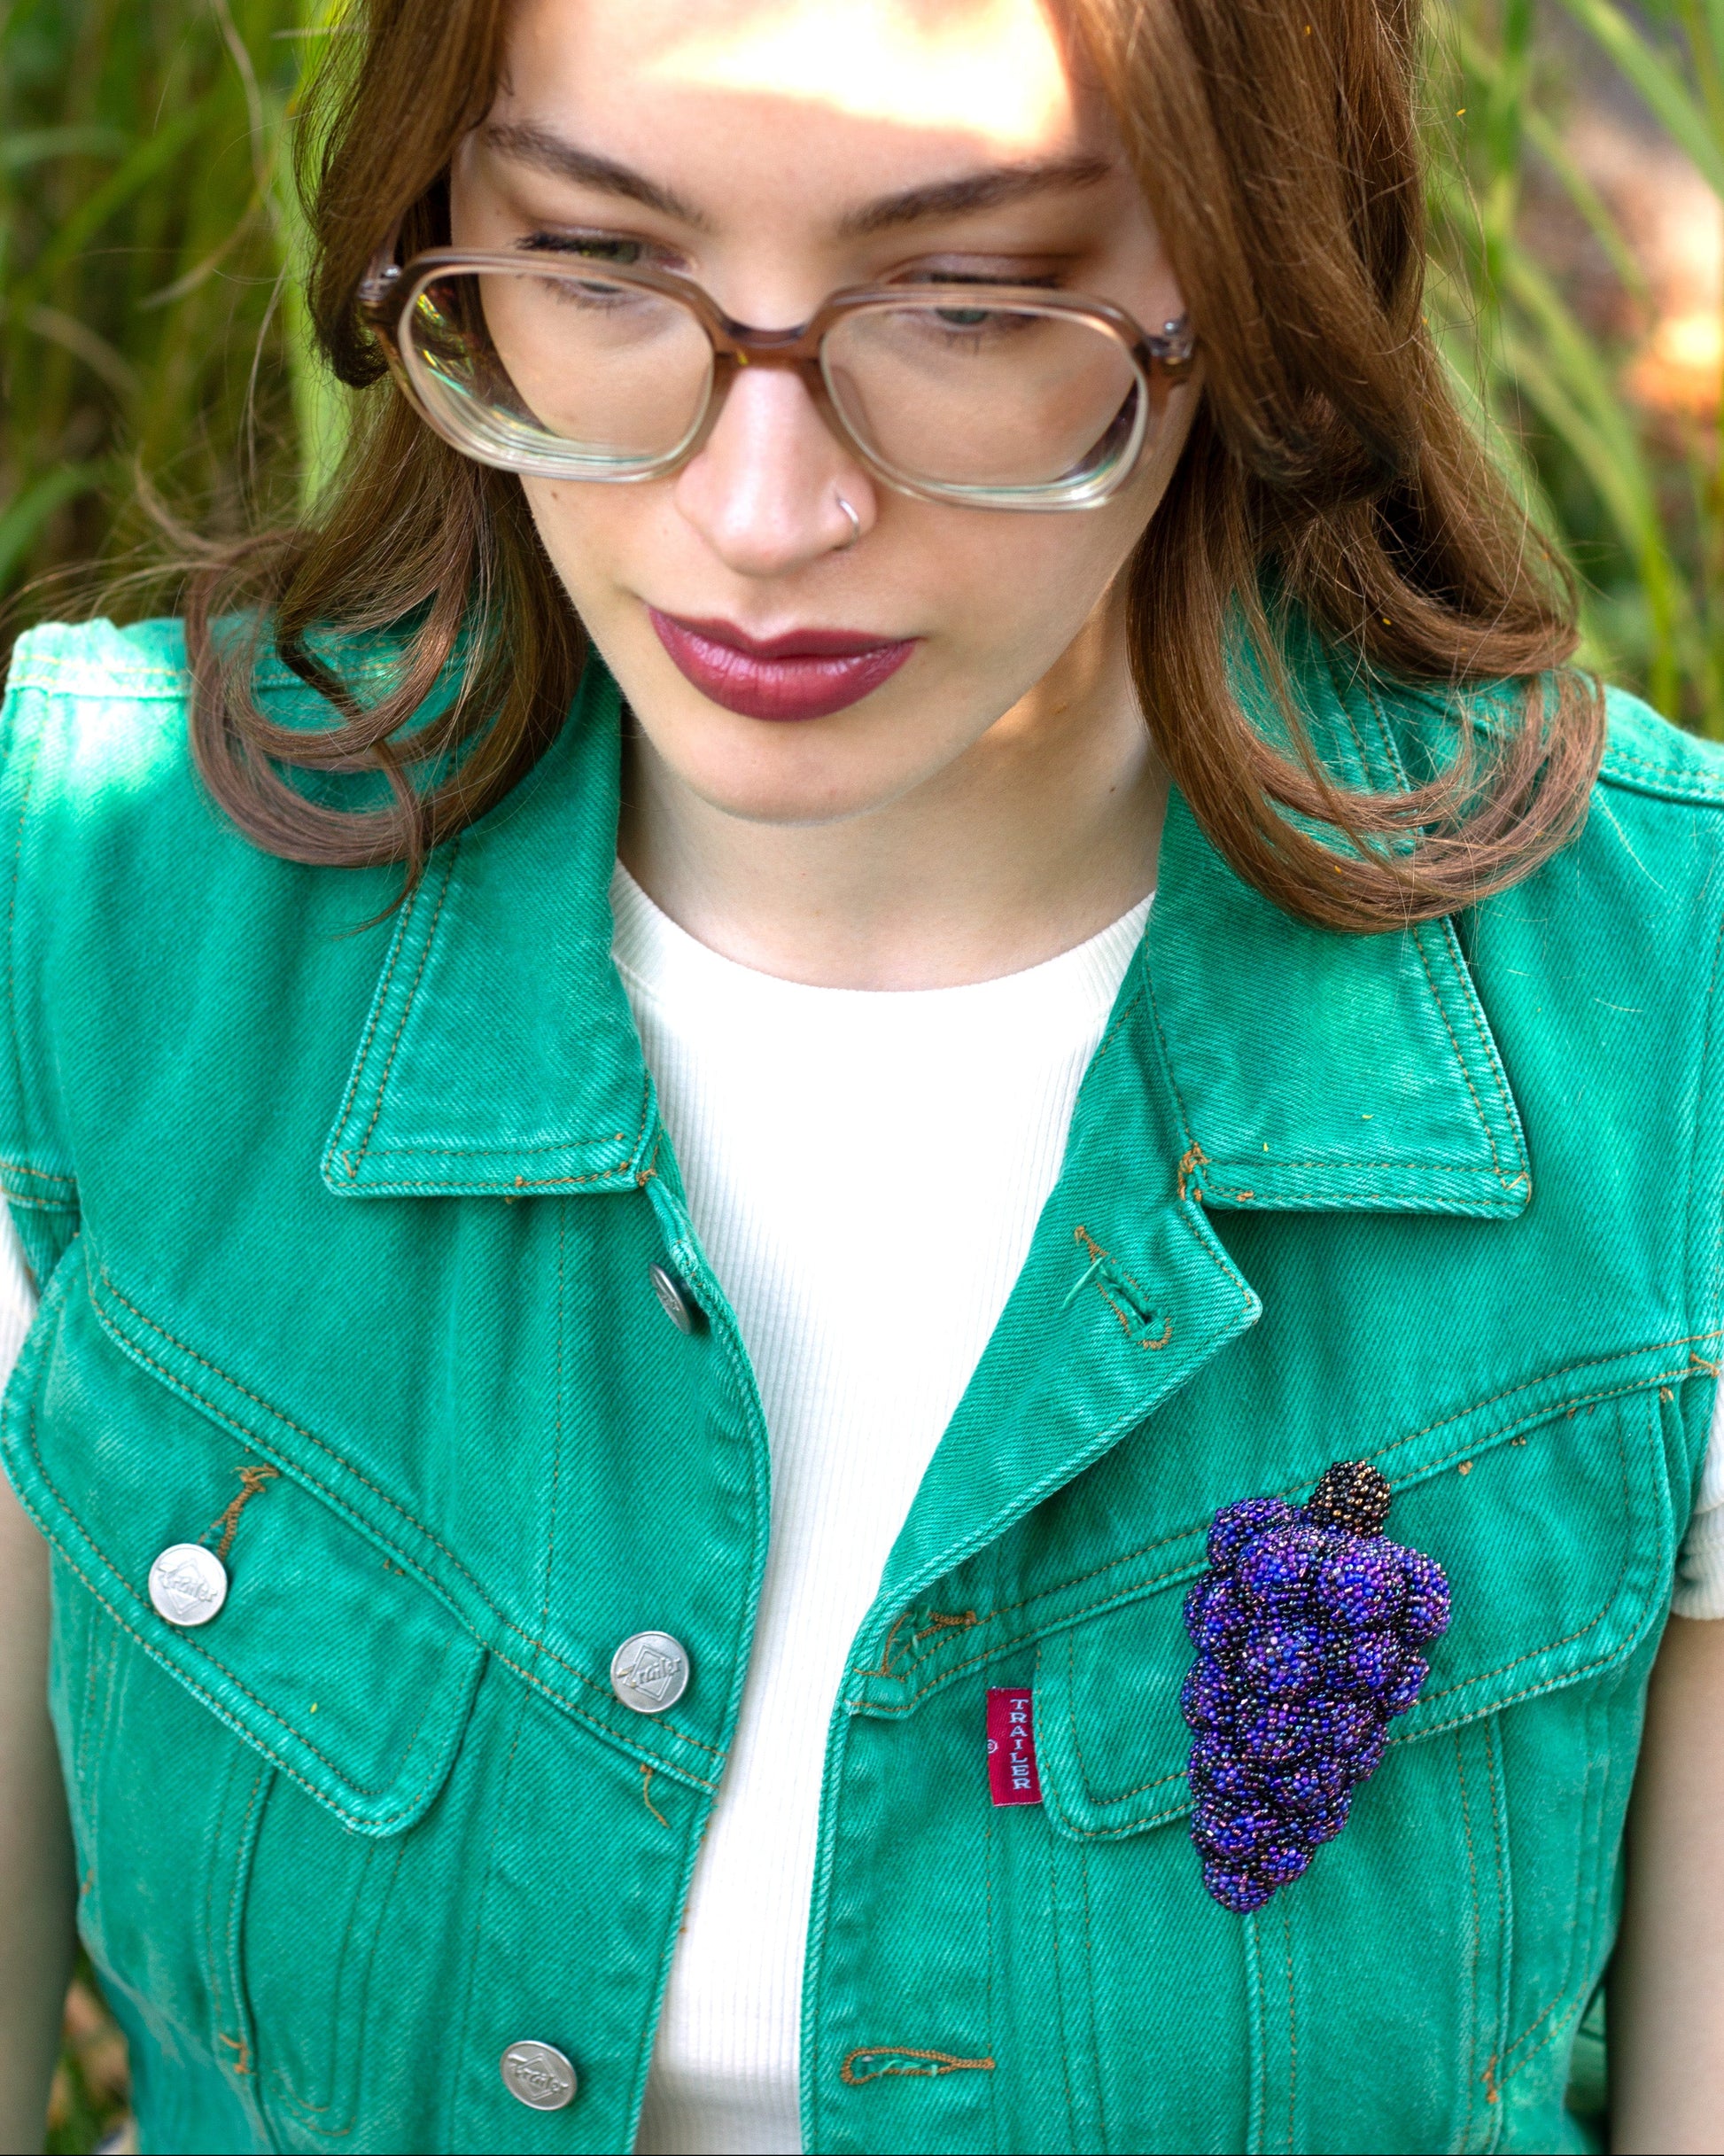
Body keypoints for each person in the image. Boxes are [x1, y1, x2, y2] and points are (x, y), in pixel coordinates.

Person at [3, 0, 1724, 2149]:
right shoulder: (87, 913)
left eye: (971, 299)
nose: (763, 510)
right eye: (600, 267)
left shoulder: (1674, 1031)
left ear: (1244, 265)